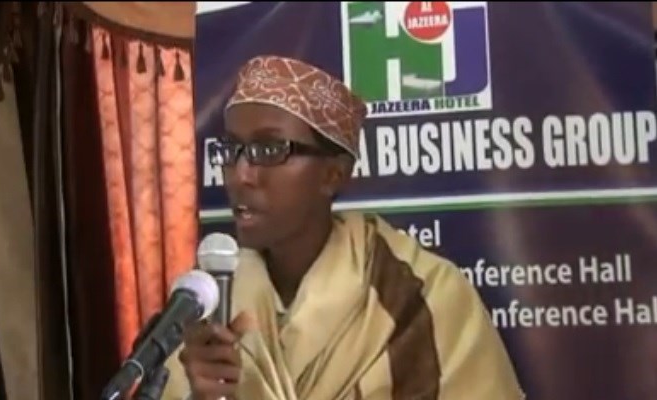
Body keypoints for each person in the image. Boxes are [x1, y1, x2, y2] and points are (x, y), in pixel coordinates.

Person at [160, 55, 525, 400]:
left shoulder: (420, 296)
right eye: (231, 150)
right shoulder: (208, 301)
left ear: (334, 174)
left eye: (269, 150)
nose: (241, 176)